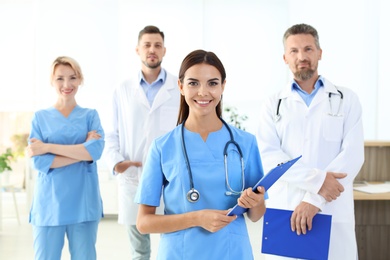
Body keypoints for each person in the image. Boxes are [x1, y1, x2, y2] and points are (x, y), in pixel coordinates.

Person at [135, 49, 266, 260]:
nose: (203, 92)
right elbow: (143, 223)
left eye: (213, 83)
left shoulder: (245, 143)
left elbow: (256, 215)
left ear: (223, 86)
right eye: (193, 83)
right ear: (180, 86)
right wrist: (196, 218)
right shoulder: (162, 147)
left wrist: (257, 203)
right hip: (180, 253)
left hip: (231, 252)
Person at [256, 23, 364, 259]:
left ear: (320, 53)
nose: (301, 56)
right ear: (285, 57)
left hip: (331, 209)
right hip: (287, 210)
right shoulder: (273, 104)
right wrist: (316, 182)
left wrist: (314, 200)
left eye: (308, 49)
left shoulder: (347, 100)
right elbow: (269, 156)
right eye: (294, 51)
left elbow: (352, 156)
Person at [104, 25, 180, 259]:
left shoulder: (179, 87)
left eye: (157, 45)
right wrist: (118, 163)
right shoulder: (123, 89)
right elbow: (112, 132)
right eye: (147, 45)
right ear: (137, 49)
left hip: (171, 175)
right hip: (133, 176)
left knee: (175, 239)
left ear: (164, 50)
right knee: (139, 249)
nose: (152, 50)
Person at [27, 56, 105, 260]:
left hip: (83, 204)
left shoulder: (90, 116)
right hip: (49, 205)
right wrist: (82, 151)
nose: (67, 84)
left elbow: (95, 152)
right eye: (60, 78)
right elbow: (39, 161)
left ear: (80, 80)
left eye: (73, 77)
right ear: (52, 81)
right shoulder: (40, 118)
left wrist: (48, 147)